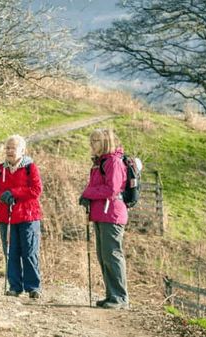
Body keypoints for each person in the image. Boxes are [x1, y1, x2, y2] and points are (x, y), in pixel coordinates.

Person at [0, 135, 43, 299]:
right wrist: (2, 196)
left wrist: (14, 193)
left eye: (13, 148)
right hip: (6, 217)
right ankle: (15, 287)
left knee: (30, 252)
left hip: (28, 216)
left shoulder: (29, 167)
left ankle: (33, 287)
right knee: (11, 252)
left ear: (22, 151)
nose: (10, 151)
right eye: (7, 148)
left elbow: (36, 190)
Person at [79, 128, 129, 309]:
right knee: (104, 256)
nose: (92, 144)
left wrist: (88, 193)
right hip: (100, 213)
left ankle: (120, 298)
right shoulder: (99, 162)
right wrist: (88, 196)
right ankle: (111, 295)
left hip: (112, 213)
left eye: (96, 141)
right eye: (91, 140)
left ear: (105, 142)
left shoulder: (113, 162)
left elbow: (112, 189)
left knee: (113, 255)